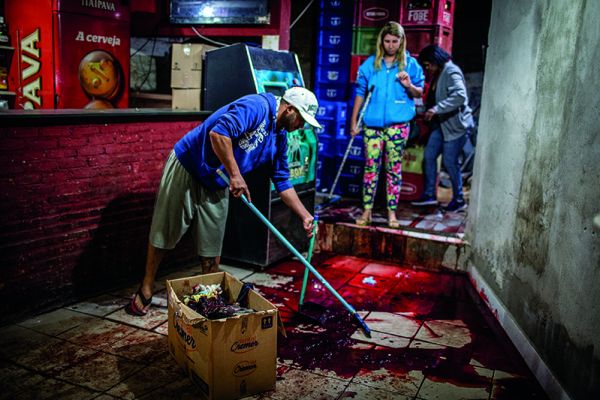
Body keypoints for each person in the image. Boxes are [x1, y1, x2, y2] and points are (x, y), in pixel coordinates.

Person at [127, 87, 321, 316]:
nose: (302, 125)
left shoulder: (279, 137)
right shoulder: (257, 107)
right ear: (289, 109)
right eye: (301, 119)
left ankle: (208, 297)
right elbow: (218, 134)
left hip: (218, 180)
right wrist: (236, 175)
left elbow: (282, 181)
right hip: (189, 165)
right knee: (165, 232)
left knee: (212, 245)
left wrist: (305, 215)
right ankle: (147, 287)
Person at [350, 21, 424, 228]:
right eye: (387, 41)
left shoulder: (410, 65)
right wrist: (354, 121)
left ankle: (392, 214)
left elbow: (419, 93)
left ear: (401, 42)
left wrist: (409, 85)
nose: (391, 45)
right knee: (370, 169)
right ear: (382, 41)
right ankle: (367, 213)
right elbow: (359, 93)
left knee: (393, 169)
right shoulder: (370, 65)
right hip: (372, 126)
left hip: (398, 126)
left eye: (395, 41)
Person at [411, 45, 474, 212]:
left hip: (455, 127)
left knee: (450, 162)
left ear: (435, 61)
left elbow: (460, 96)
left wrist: (437, 109)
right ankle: (429, 195)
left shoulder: (451, 71)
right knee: (429, 156)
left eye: (427, 64)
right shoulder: (438, 73)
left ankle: (459, 200)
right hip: (441, 125)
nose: (427, 68)